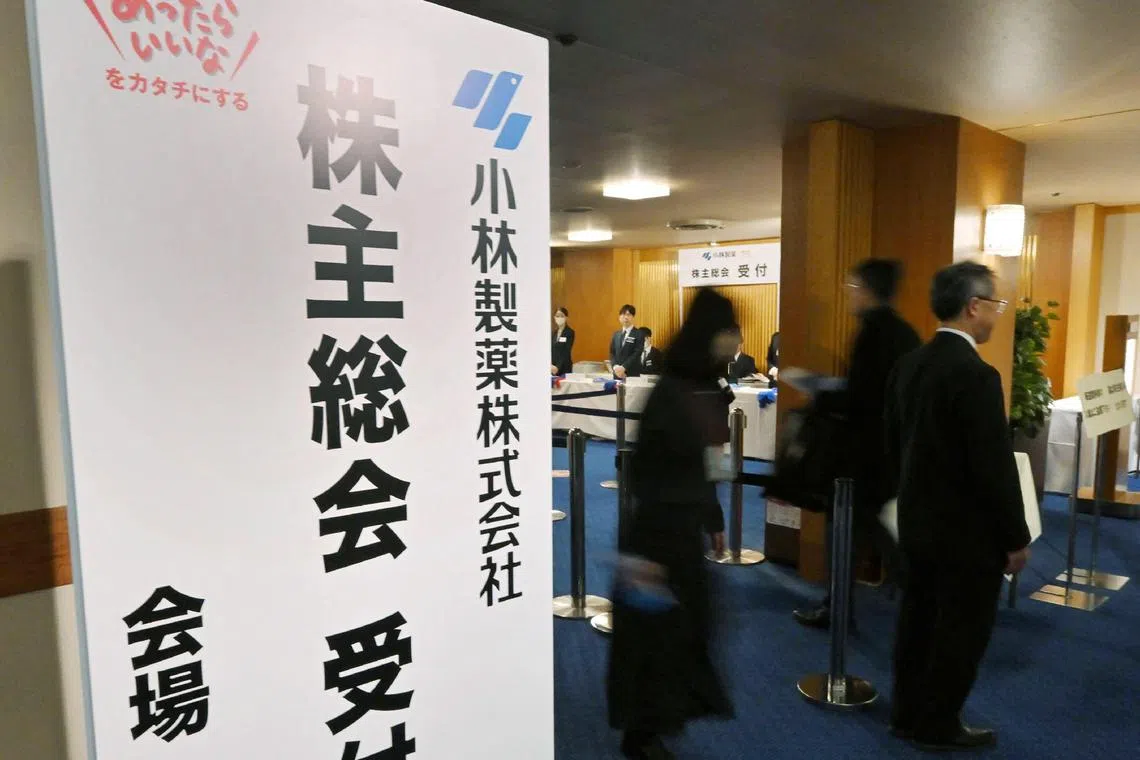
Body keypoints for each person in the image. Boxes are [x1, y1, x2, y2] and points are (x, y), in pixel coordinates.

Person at [886, 261, 1030, 752]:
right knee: (962, 630)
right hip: (967, 534)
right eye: (995, 305)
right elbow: (993, 468)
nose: (997, 315)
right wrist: (1015, 537)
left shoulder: (909, 364)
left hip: (916, 521)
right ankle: (938, 724)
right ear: (973, 307)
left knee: (917, 621)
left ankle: (906, 715)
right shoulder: (977, 375)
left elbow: (892, 442)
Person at [607, 288, 737, 760]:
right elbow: (644, 470)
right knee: (653, 636)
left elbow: (709, 462)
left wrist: (712, 517)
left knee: (682, 630)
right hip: (656, 535)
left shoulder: (704, 388)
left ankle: (660, 722)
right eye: (727, 331)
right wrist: (646, 551)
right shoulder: (673, 391)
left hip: (683, 531)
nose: (733, 341)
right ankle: (640, 735)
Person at [794, 258, 921, 629]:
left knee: (847, 531)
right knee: (872, 530)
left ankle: (843, 608)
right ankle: (914, 600)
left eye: (852, 287)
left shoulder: (872, 334)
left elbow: (863, 398)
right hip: (889, 453)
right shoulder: (906, 333)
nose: (848, 294)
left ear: (867, 290)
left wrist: (820, 392)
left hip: (863, 457)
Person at [610, 304, 644, 378]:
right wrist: (615, 367)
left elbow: (637, 353)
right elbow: (612, 353)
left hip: (632, 374)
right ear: (619, 317)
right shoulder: (616, 334)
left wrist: (624, 367)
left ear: (633, 317)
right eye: (623, 314)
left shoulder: (639, 334)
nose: (625, 317)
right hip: (617, 374)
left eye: (628, 315)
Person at [551, 307, 575, 375]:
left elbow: (566, 351)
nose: (559, 318)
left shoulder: (569, 332)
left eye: (562, 316)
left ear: (566, 318)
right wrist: (551, 364)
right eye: (557, 316)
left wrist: (558, 367)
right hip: (553, 367)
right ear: (554, 317)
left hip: (564, 367)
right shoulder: (553, 333)